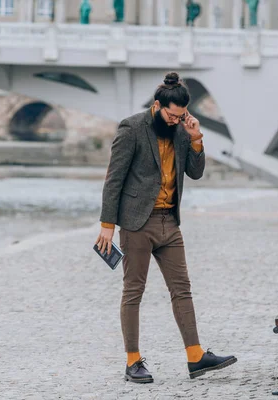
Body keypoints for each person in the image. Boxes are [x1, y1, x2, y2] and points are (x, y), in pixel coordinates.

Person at [96, 72, 237, 383]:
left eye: (180, 116)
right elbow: (113, 179)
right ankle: (133, 361)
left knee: (182, 289)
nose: (175, 121)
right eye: (171, 115)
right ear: (158, 106)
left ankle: (195, 357)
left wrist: (197, 137)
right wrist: (107, 225)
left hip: (170, 223)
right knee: (134, 291)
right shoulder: (131, 128)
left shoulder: (183, 130)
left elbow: (196, 173)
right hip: (137, 223)